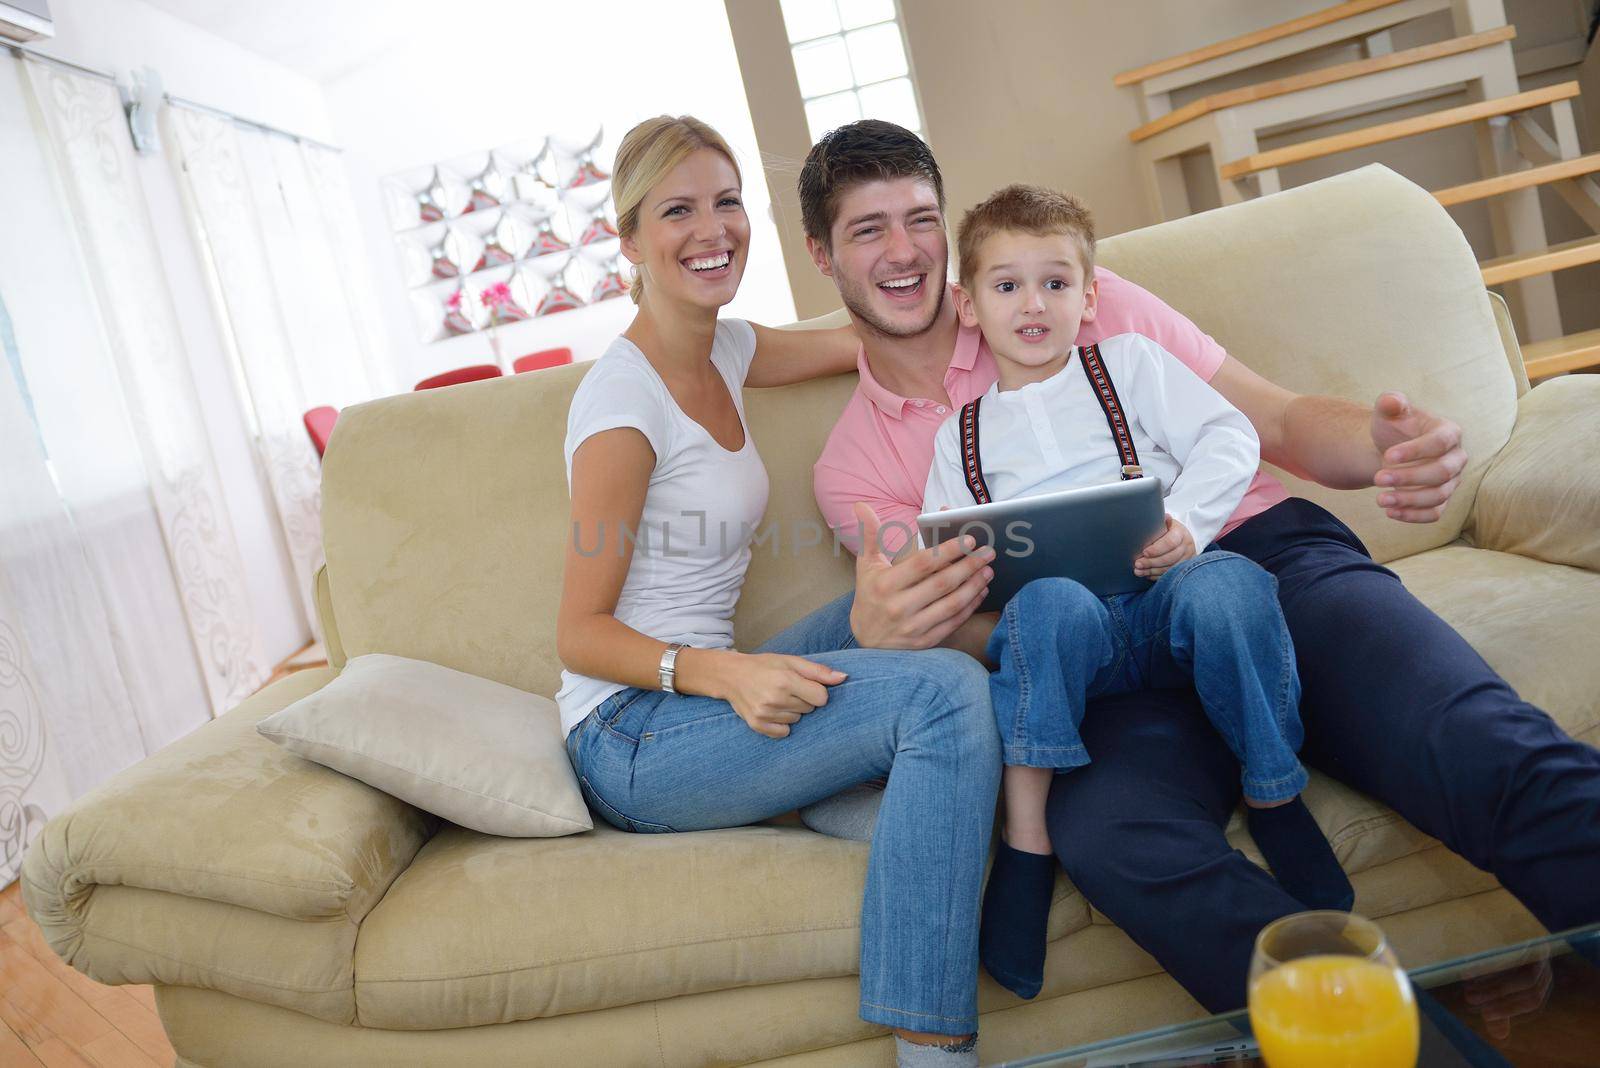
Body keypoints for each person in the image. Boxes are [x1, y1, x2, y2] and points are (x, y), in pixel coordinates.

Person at [802, 119, 1600, 1013]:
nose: (903, 251)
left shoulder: (1075, 300)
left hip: (1261, 567)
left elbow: (1277, 423)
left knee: (1475, 741)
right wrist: (912, 630)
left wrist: (1379, 449)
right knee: (1113, 839)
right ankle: (1363, 1031)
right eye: (868, 230)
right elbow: (965, 623)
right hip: (1105, 661)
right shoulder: (856, 468)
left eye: (919, 220)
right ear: (822, 257)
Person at [556, 114, 1001, 1068]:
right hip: (631, 735)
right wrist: (723, 675)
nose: (711, 229)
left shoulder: (723, 349)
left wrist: (999, 304)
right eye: (677, 210)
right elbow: (579, 635)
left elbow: (862, 337)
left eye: (726, 203)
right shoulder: (622, 407)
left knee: (918, 600)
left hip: (699, 699)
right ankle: (932, 1048)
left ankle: (832, 791)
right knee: (947, 693)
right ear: (629, 241)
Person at [920, 184, 1350, 1000]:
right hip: (1069, 643)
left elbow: (1229, 434)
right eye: (1006, 285)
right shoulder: (960, 435)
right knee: (1044, 604)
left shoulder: (1127, 365)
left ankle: (1274, 787)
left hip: (1165, 600)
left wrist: (1187, 521)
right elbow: (950, 547)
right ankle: (1029, 842)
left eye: (1055, 281)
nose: (1033, 302)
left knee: (1230, 586)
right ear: (969, 305)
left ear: (1089, 296)